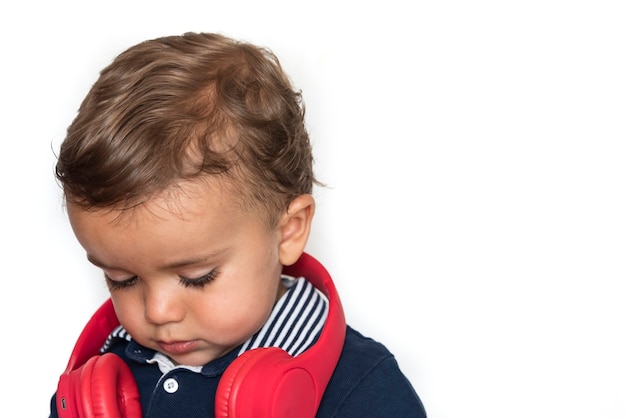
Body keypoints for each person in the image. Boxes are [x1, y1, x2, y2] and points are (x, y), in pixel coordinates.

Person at [49, 32, 427, 417]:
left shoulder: (364, 390)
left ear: (289, 230)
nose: (158, 312)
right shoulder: (100, 392)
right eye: (122, 279)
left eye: (197, 277)